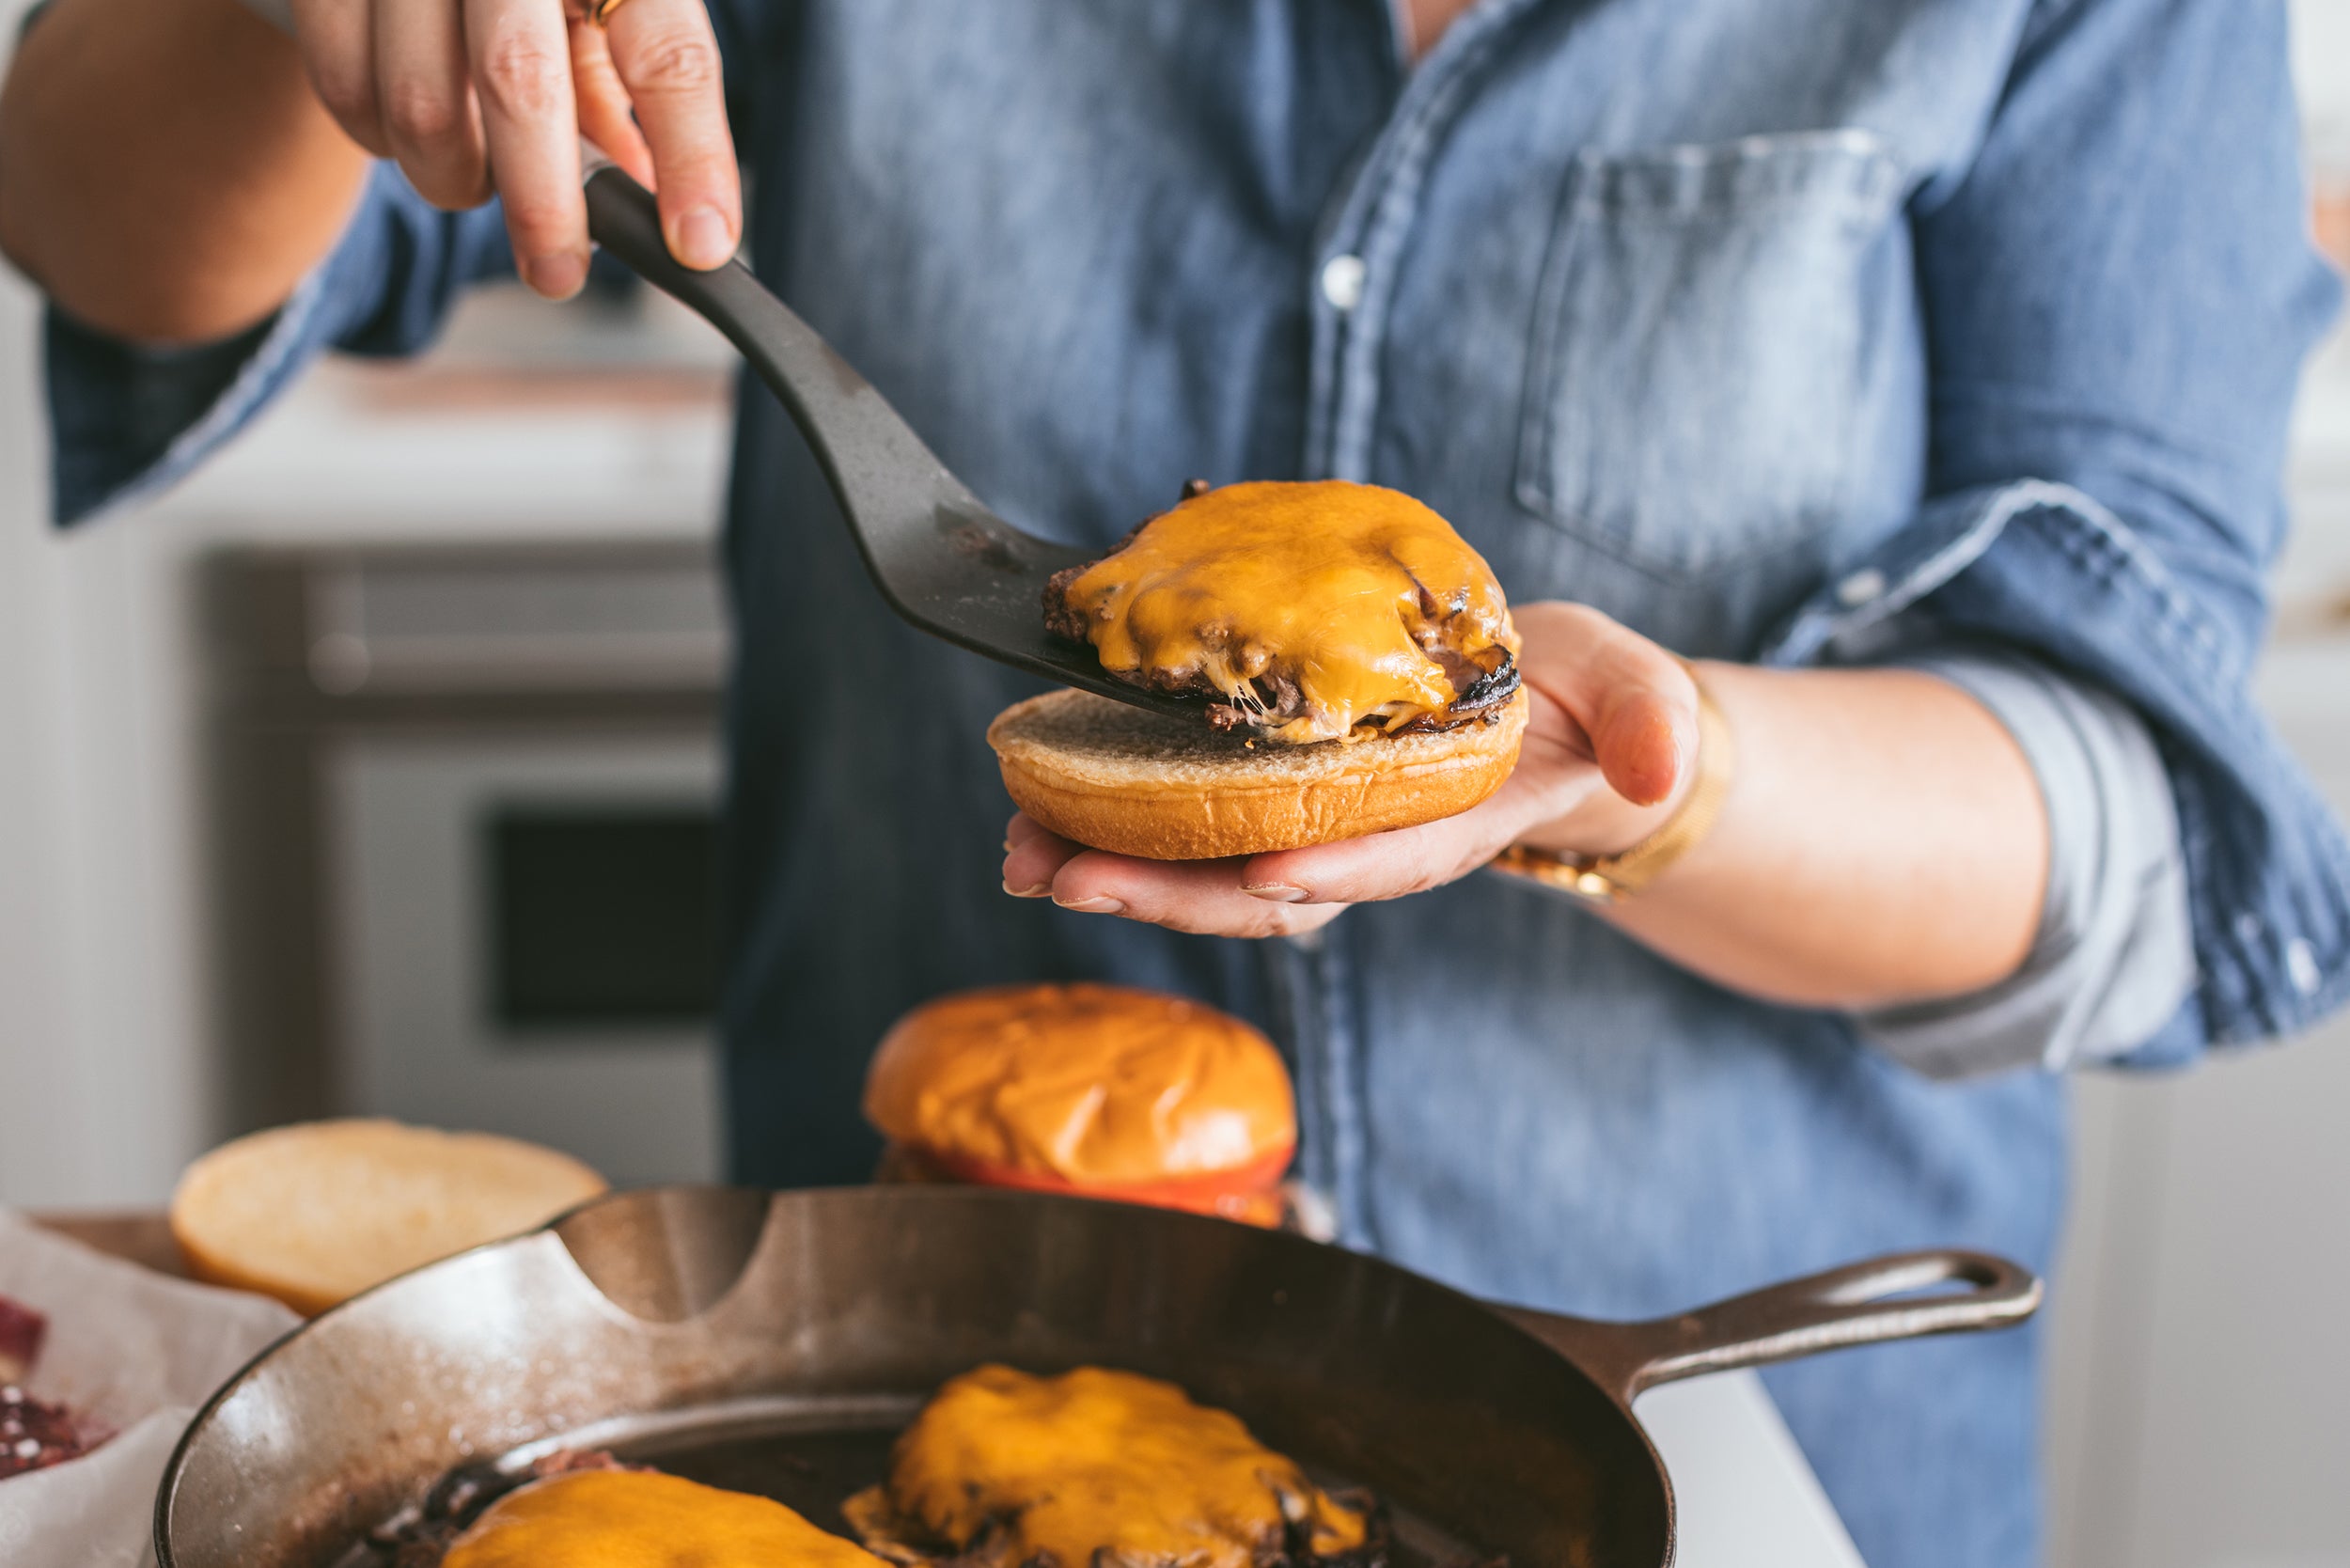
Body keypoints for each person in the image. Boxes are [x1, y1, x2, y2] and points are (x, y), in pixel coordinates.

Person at [2, 1, 2341, 1561]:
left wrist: (1634, 779)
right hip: (854, 1392)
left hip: (1735, 1433)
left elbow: (2138, 820)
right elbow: (99, 240)